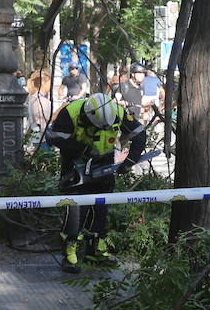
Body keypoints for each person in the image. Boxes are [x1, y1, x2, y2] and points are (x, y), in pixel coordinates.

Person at [45, 92, 146, 272]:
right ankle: (70, 251)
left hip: (104, 163)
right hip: (75, 164)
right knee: (75, 210)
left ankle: (97, 251)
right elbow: (53, 137)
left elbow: (139, 133)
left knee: (101, 209)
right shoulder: (71, 113)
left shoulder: (117, 112)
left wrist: (129, 162)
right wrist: (82, 149)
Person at [26, 71, 53, 147]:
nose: (51, 85)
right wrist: (61, 109)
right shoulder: (40, 100)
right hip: (42, 139)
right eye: (50, 83)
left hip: (36, 138)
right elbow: (47, 119)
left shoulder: (33, 98)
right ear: (43, 83)